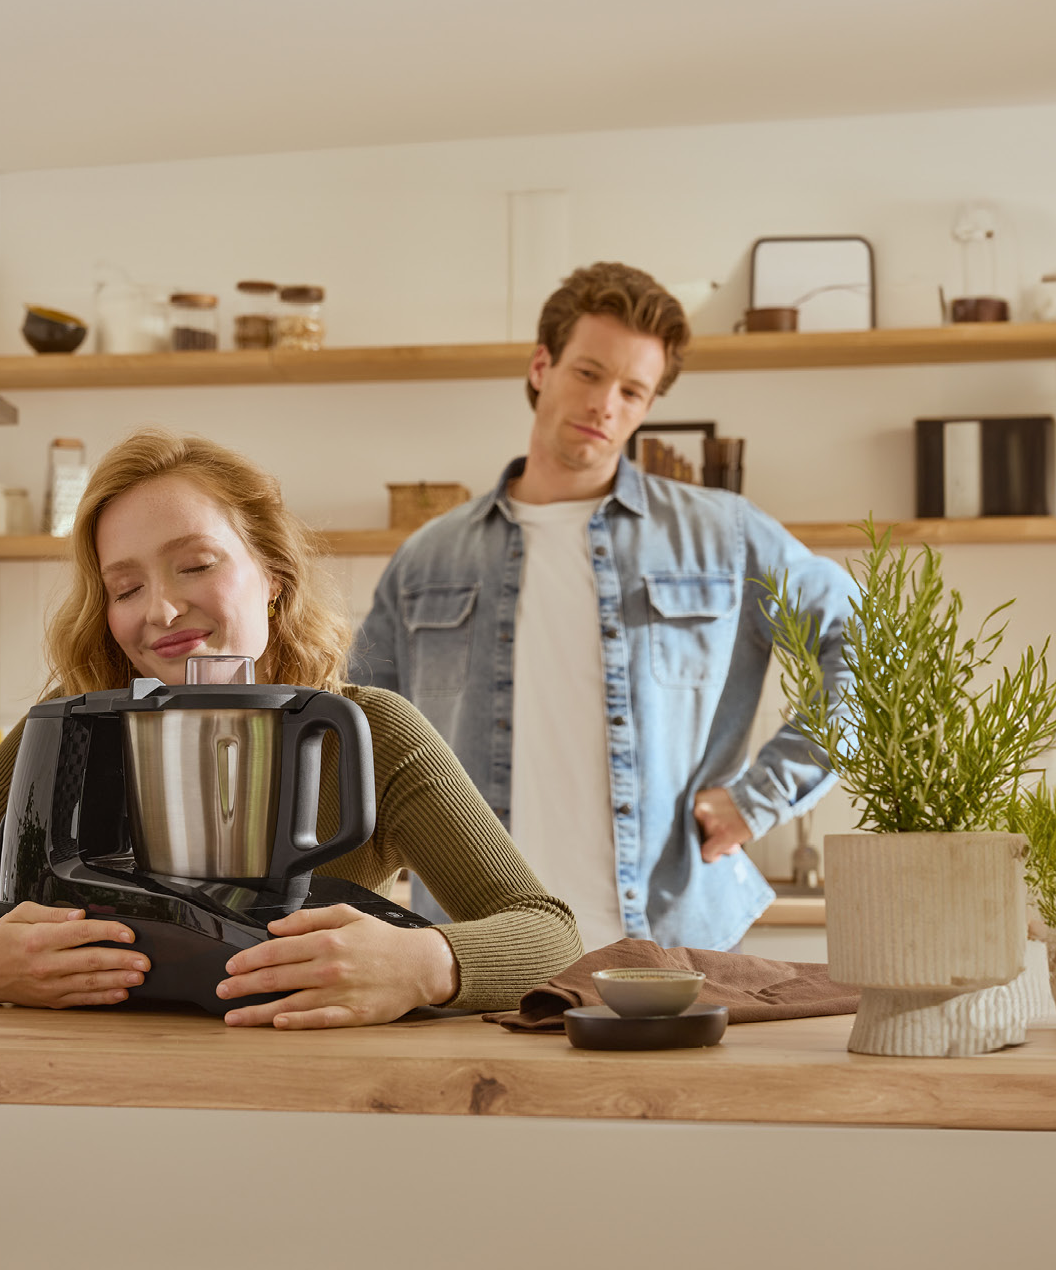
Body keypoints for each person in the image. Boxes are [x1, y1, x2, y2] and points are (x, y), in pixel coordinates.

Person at [0, 429, 580, 1029]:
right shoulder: (68, 732)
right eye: (125, 587)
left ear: (272, 576)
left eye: (194, 565)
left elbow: (548, 935)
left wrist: (423, 965)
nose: (158, 609)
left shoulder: (373, 731)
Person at [352, 262, 857, 953]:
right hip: (480, 953)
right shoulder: (429, 558)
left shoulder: (724, 536)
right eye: (588, 374)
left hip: (672, 950)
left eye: (632, 390)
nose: (605, 405)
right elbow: (356, 743)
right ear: (541, 366)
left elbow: (869, 645)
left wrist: (762, 796)